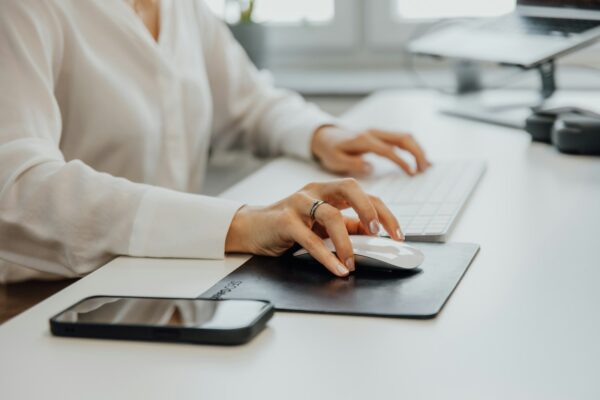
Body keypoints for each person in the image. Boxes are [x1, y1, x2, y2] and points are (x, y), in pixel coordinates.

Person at [0, 0, 429, 283]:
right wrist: (240, 224)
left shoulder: (182, 8)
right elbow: (17, 187)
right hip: (47, 300)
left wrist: (323, 134)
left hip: (169, 277)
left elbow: (249, 102)